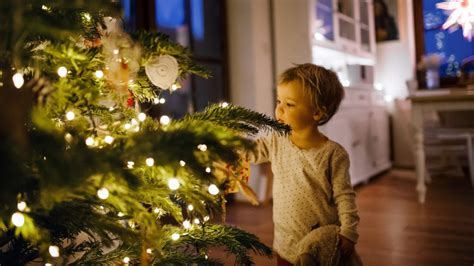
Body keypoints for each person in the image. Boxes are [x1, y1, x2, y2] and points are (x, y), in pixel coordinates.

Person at [245, 64, 361, 265]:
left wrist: (349, 232)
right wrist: (224, 146)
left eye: (289, 104)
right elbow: (251, 153)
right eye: (279, 101)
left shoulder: (333, 154)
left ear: (316, 113)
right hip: (284, 240)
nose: (279, 109)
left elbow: (344, 195)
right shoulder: (276, 140)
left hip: (318, 244)